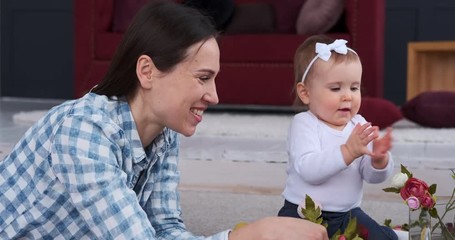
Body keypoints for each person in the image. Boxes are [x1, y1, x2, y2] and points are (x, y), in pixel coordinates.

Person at [0, 1, 328, 239]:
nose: (214, 96)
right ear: (147, 71)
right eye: (203, 78)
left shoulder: (162, 131)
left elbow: (166, 228)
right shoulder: (82, 133)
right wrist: (244, 237)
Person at [277, 35, 398, 240]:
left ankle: (394, 234)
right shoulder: (304, 123)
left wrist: (378, 160)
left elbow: (371, 177)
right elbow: (309, 170)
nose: (347, 96)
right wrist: (348, 151)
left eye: (354, 87)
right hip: (303, 214)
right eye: (335, 88)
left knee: (385, 239)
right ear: (305, 93)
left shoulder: (358, 125)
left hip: (347, 215)